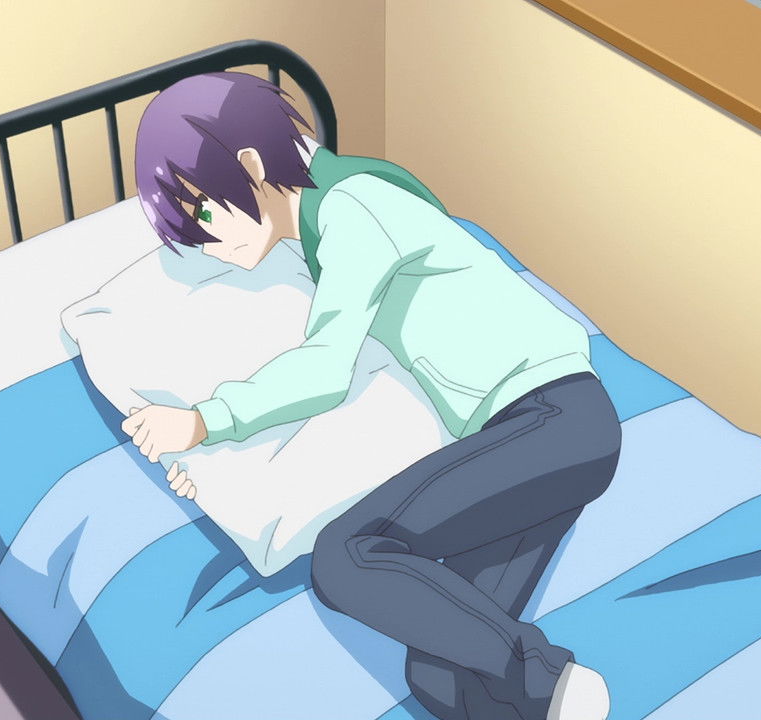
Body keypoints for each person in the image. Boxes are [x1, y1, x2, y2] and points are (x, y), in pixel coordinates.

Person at [121, 71, 621, 720]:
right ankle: (546, 695)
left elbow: (326, 369)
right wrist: (222, 473)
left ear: (251, 165)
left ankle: (554, 681)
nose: (212, 244)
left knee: (347, 555)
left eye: (208, 214)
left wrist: (202, 422)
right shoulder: (324, 235)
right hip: (539, 439)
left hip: (555, 417)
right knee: (439, 675)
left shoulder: (353, 207)